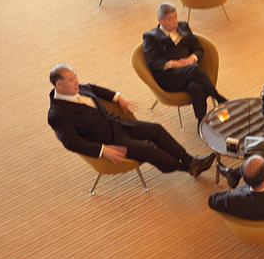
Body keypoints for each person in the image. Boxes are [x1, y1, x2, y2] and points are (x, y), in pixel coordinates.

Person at [47, 64, 215, 176]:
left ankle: (190, 160)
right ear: (59, 85)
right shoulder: (57, 114)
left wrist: (117, 97)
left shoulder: (78, 88)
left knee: (156, 129)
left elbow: (94, 89)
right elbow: (71, 142)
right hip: (110, 140)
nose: (76, 81)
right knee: (150, 150)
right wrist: (102, 150)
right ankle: (186, 168)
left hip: (119, 123)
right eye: (71, 79)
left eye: (75, 76)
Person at [142, 3, 227, 129]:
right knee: (194, 69)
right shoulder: (150, 36)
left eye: (175, 17)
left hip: (190, 71)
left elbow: (198, 48)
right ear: (160, 20)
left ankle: (201, 122)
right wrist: (173, 64)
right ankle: (219, 98)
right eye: (170, 19)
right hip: (169, 76)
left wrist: (192, 58)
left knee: (195, 86)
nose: (175, 22)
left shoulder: (183, 26)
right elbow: (152, 61)